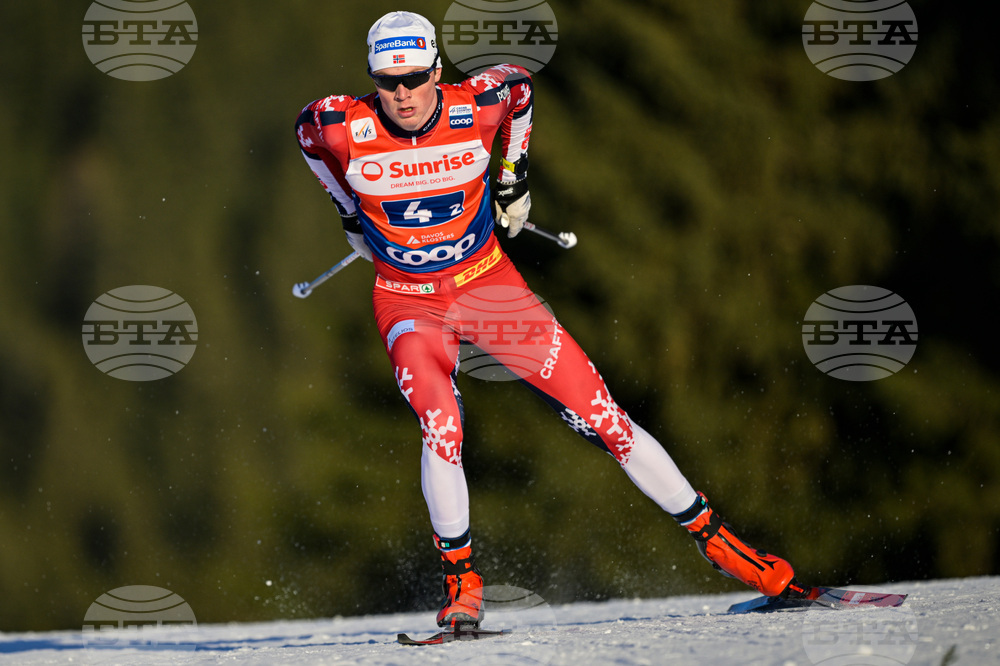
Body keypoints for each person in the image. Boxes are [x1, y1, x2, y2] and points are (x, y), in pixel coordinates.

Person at [295, 10, 796, 629]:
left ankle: (723, 547)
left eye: (415, 78)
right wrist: (349, 214)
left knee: (602, 415)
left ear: (436, 69)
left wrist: (511, 180)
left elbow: (522, 89)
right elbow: (307, 137)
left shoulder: (477, 104)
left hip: (488, 289)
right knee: (441, 422)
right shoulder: (342, 121)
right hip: (408, 298)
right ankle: (462, 584)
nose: (400, 94)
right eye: (386, 81)